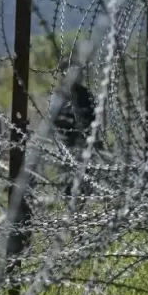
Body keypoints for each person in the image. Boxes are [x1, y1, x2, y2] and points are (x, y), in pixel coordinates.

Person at [52, 55, 100, 197]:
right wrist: (72, 124)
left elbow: (94, 118)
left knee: (84, 184)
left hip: (85, 145)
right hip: (66, 146)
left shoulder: (86, 95)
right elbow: (54, 118)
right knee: (67, 182)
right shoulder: (59, 95)